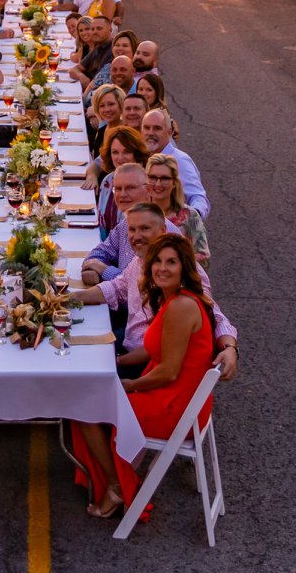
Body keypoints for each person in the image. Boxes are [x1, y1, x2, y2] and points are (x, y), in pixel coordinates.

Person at [71, 235, 217, 519]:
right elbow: (153, 352)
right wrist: (115, 362)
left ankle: (115, 487)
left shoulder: (181, 307)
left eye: (171, 262)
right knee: (90, 396)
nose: (162, 268)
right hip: (184, 400)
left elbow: (168, 370)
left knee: (84, 407)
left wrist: (129, 385)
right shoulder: (174, 298)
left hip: (175, 407)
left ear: (184, 267)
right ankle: (112, 481)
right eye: (158, 262)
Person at [70, 204, 238, 379]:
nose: (136, 236)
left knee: (85, 374)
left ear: (163, 230)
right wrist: (71, 298)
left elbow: (212, 314)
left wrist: (229, 348)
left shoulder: (179, 270)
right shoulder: (139, 261)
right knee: (78, 350)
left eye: (145, 229)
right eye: (132, 229)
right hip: (130, 340)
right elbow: (116, 288)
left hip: (150, 363)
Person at [140, 107, 209, 218]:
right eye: (146, 128)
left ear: (170, 131)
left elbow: (198, 197)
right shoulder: (144, 158)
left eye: (157, 128)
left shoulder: (180, 160)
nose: (150, 133)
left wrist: (188, 222)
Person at [145, 153, 209, 262]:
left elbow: (204, 258)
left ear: (174, 183)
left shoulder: (190, 216)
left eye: (165, 178)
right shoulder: (138, 215)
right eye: (153, 178)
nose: (158, 184)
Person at [94, 124, 149, 236]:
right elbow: (101, 224)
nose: (120, 158)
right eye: (115, 152)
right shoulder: (107, 181)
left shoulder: (144, 183)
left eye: (126, 152)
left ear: (136, 154)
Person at [85, 83, 126, 159]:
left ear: (121, 105)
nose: (107, 109)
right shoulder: (103, 130)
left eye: (111, 104)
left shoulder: (124, 134)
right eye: (102, 106)